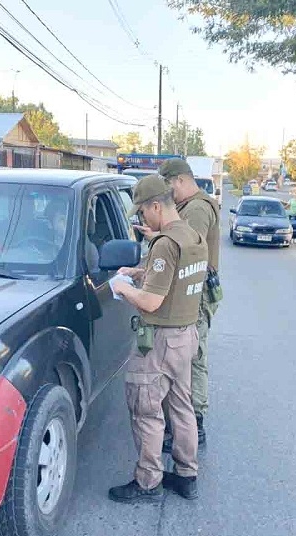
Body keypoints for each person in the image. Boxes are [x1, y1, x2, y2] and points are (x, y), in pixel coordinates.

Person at [108, 175, 208, 503]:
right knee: (181, 407)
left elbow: (152, 302)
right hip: (186, 336)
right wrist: (139, 273)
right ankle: (186, 475)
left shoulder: (165, 243)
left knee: (146, 409)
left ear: (156, 206)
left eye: (142, 212)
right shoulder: (191, 235)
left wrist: (123, 287)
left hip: (161, 341)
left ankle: (148, 483)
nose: (141, 219)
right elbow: (176, 277)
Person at [149, 158, 221, 450]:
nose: (167, 197)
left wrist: (158, 237)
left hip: (197, 291)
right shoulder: (189, 206)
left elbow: (189, 248)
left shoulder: (198, 209)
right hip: (192, 289)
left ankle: (195, 424)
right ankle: (186, 425)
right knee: (186, 358)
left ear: (179, 180)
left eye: (168, 188)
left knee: (193, 358)